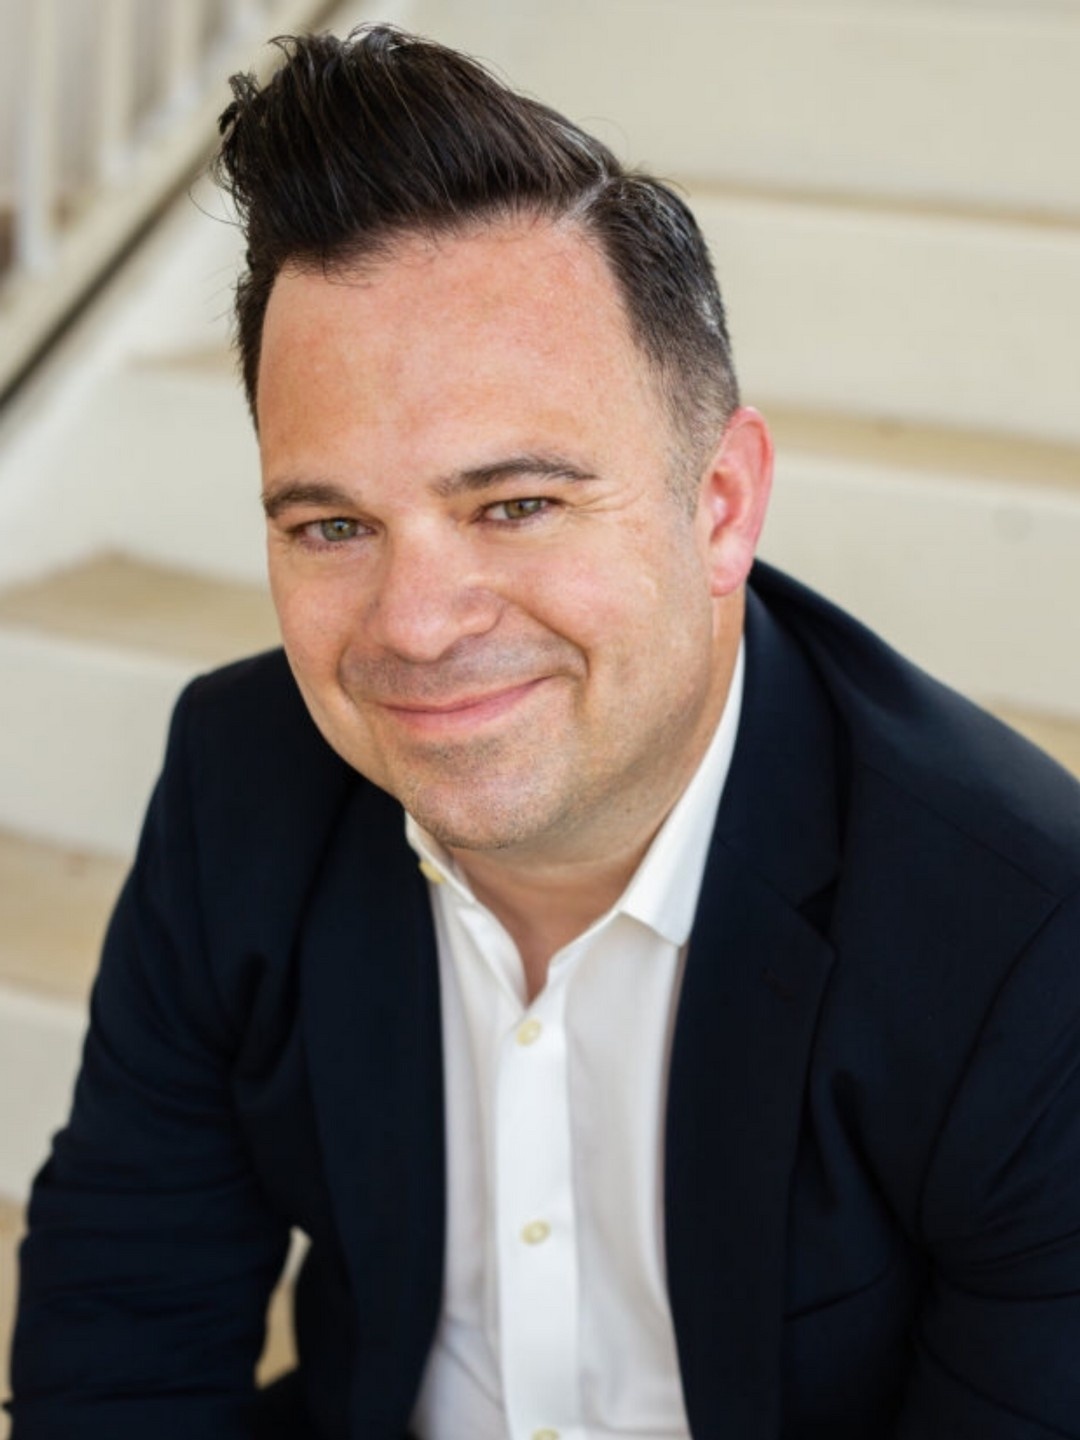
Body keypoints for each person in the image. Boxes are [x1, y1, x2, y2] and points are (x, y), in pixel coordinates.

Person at [8, 24, 1080, 1440]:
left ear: (721, 506)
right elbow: (124, 1343)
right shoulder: (241, 781)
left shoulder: (1023, 941)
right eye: (332, 526)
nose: (415, 626)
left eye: (515, 505)